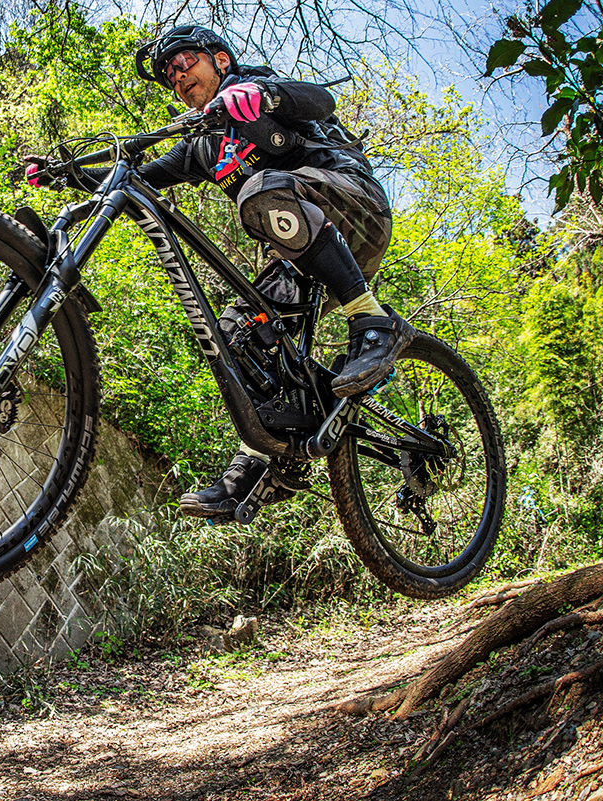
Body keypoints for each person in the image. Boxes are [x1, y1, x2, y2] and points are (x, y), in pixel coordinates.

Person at [25, 25, 413, 519]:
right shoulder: (202, 147)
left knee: (261, 192)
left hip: (351, 205)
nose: (178, 76)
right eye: (170, 75)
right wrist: (69, 174)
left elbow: (320, 101)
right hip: (300, 253)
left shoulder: (252, 87)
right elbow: (136, 178)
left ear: (222, 62)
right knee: (233, 334)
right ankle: (268, 461)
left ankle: (374, 322)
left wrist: (263, 93)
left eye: (186, 62)